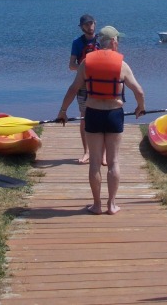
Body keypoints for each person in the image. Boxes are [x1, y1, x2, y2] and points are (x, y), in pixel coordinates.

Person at [57, 26, 145, 215]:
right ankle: (111, 205)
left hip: (93, 114)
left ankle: (97, 205)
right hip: (114, 115)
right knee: (113, 162)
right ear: (113, 42)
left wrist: (63, 111)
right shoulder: (122, 65)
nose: (118, 43)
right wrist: (140, 107)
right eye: (118, 40)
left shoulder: (86, 63)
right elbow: (139, 91)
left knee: (95, 162)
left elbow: (73, 90)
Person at [69, 14, 100, 164]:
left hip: (100, 84)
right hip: (83, 85)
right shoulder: (77, 42)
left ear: (95, 23)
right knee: (84, 117)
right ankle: (87, 152)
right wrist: (84, 69)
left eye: (91, 23)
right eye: (86, 25)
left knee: (102, 116)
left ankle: (103, 154)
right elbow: (71, 66)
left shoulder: (102, 41)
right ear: (81, 27)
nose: (89, 27)